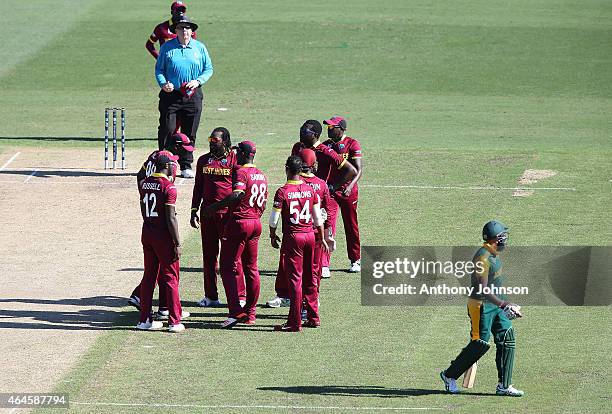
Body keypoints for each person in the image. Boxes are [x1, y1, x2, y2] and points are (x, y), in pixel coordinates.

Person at [440, 220, 524, 396]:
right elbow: (483, 289)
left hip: (496, 304)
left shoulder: (493, 254)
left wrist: (507, 303)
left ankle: (504, 386)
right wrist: (503, 304)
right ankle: (449, 376)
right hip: (480, 307)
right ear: (495, 239)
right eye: (503, 237)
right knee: (480, 345)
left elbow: (496, 284)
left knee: (507, 337)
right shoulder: (482, 258)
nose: (505, 240)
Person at [203, 141, 267, 328]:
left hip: (240, 223)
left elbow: (237, 195)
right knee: (251, 268)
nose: (235, 153)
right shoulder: (261, 174)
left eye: (238, 151)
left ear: (244, 153)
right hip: (256, 222)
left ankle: (235, 312)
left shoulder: (241, 172)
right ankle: (251, 312)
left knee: (226, 266)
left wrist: (213, 207)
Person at [127, 133, 193, 315]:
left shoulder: (153, 156)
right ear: (177, 146)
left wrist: (145, 193)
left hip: (150, 213)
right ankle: (165, 308)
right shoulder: (169, 162)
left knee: (155, 268)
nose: (185, 154)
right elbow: (167, 189)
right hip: (162, 217)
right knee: (166, 267)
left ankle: (162, 306)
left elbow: (140, 175)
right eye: (184, 149)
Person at [290, 119, 357, 279]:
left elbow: (351, 170)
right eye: (301, 129)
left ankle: (325, 264)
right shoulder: (297, 148)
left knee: (326, 229)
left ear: (315, 135)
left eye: (305, 131)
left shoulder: (325, 150)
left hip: (321, 197)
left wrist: (332, 187)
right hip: (301, 196)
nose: (301, 133)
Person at [266, 149, 331, 309]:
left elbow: (274, 218)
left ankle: (293, 300)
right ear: (314, 164)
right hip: (314, 233)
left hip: (295, 233)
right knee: (312, 270)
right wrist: (327, 233)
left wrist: (272, 234)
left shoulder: (292, 183)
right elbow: (327, 210)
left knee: (291, 269)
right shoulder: (321, 184)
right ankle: (311, 301)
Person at [190, 127, 246, 308]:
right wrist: (194, 210)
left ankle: (240, 295)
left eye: (216, 140)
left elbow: (239, 190)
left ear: (226, 142)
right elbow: (198, 187)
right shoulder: (203, 160)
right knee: (209, 256)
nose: (212, 142)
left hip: (228, 216)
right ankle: (211, 296)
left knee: (232, 257)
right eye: (210, 139)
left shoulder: (235, 160)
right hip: (207, 216)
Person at [155, 14, 213, 178]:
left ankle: (186, 165)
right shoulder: (167, 47)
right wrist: (164, 84)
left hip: (193, 95)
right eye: (181, 28)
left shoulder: (199, 47)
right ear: (176, 31)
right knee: (167, 128)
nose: (185, 31)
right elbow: (159, 69)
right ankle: (163, 163)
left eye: (187, 28)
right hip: (171, 95)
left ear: (191, 31)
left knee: (190, 131)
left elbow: (208, 69)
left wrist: (198, 81)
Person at [136, 153, 186, 333]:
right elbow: (171, 218)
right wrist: (177, 243)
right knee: (170, 278)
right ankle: (174, 321)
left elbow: (143, 209)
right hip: (163, 237)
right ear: (167, 166)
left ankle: (145, 320)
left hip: (147, 232)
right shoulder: (169, 187)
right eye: (173, 164)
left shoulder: (145, 183)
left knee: (149, 277)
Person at [322, 116, 363, 275]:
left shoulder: (352, 144)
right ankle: (324, 264)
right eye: (328, 127)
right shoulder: (326, 146)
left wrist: (350, 186)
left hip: (348, 191)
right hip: (331, 191)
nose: (329, 129)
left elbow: (358, 170)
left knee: (351, 225)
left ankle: (355, 260)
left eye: (332, 127)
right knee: (328, 226)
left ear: (341, 128)